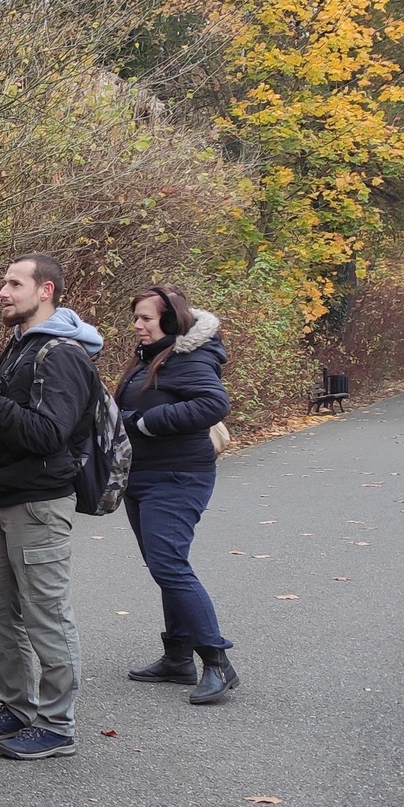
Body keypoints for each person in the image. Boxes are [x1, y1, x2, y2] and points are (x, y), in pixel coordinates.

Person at [0, 254, 103, 762]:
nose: (2, 291)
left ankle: (57, 724)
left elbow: (47, 433)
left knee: (45, 614)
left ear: (46, 291)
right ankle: (17, 709)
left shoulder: (61, 354)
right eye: (2, 282)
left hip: (39, 503)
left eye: (14, 283)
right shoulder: (21, 347)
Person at [116, 284, 237, 704]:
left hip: (178, 476)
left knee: (168, 564)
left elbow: (213, 404)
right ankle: (178, 658)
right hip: (145, 476)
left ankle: (217, 662)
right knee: (162, 562)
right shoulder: (151, 357)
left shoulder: (190, 358)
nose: (138, 326)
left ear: (171, 320)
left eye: (146, 318)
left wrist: (148, 422)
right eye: (136, 318)